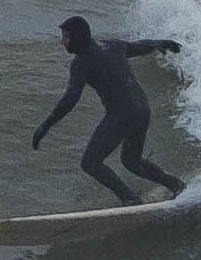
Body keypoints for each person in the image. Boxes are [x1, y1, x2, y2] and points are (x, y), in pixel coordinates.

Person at [32, 15, 188, 203]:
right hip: (142, 108)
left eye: (66, 37)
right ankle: (175, 185)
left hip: (122, 115)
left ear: (77, 38)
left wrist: (46, 126)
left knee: (90, 163)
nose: (62, 42)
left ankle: (130, 200)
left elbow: (70, 100)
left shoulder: (81, 63)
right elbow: (139, 46)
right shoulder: (112, 45)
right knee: (131, 161)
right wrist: (162, 43)